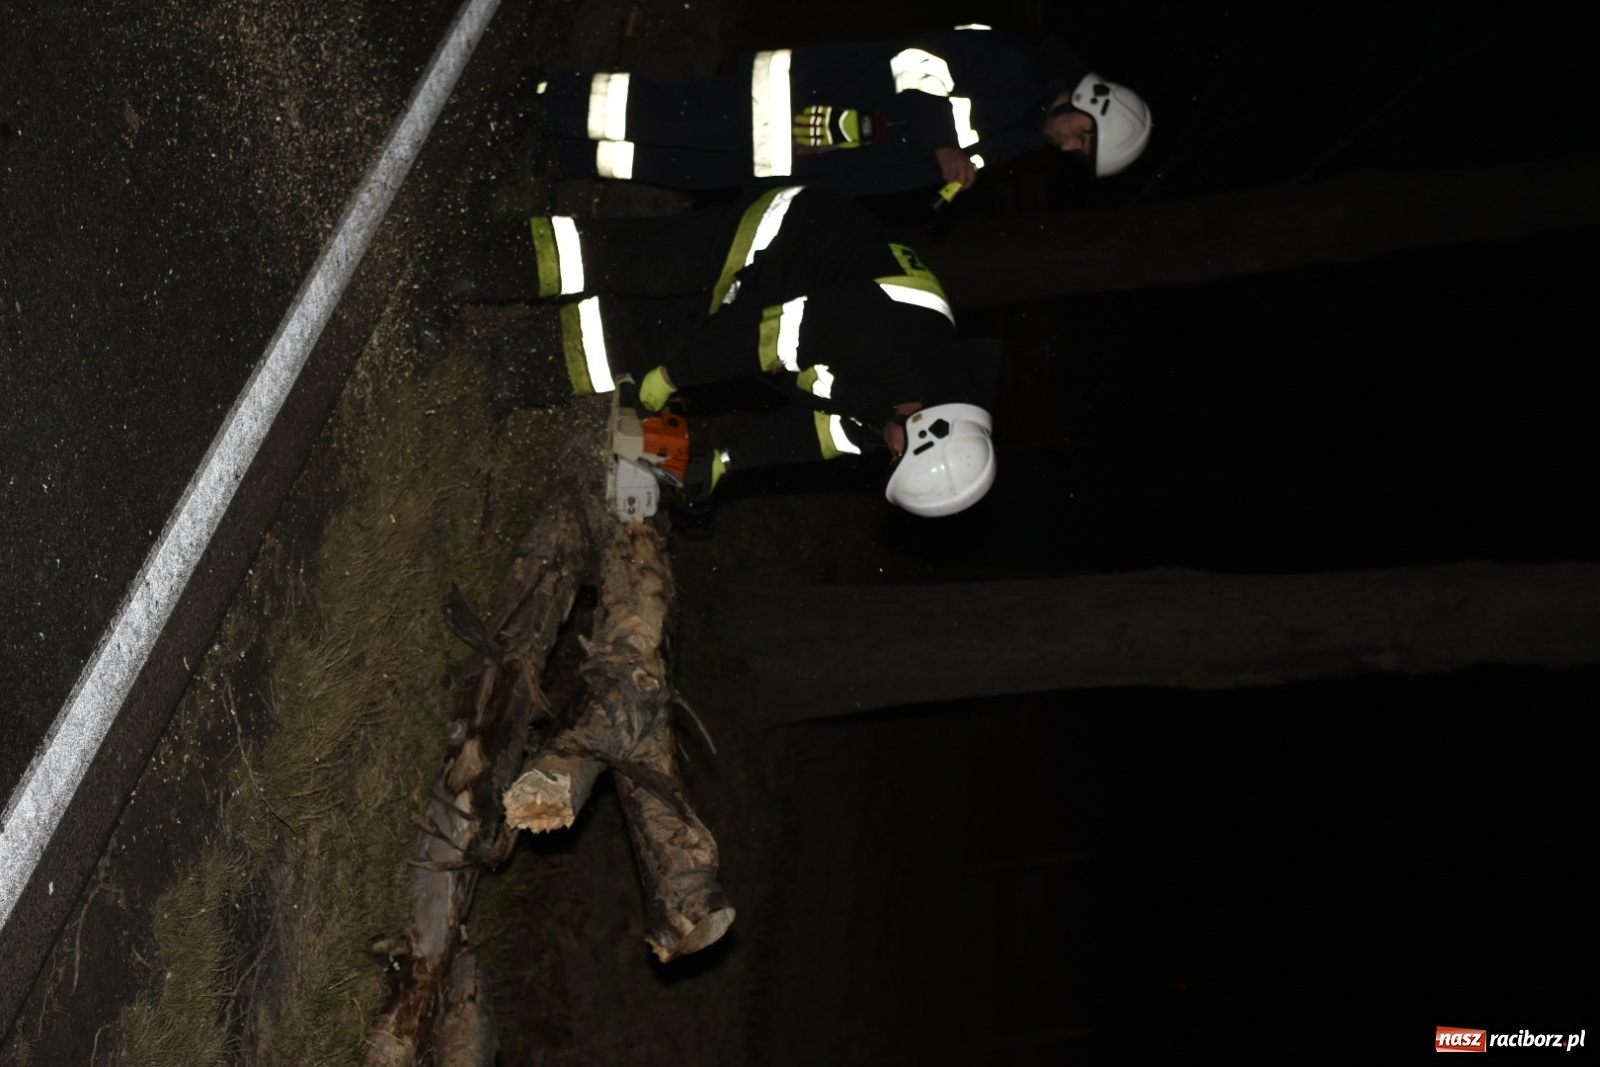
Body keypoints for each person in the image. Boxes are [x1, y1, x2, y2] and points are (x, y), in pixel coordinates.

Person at [427, 186, 1002, 516]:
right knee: (635, 263)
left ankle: (506, 365)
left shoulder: (899, 416)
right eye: (899, 456)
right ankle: (464, 262)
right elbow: (762, 340)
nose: (889, 454)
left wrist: (723, 466)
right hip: (784, 238)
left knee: (640, 341)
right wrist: (670, 378)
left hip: (780, 304)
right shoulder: (892, 338)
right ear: (928, 428)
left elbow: (816, 435)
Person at [515, 25, 1152, 196]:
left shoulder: (1020, 136)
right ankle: (545, 101)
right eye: (1084, 138)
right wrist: (943, 145)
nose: (1071, 147)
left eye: (1081, 153)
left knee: (685, 166)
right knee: (668, 113)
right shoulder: (1014, 68)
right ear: (1089, 104)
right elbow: (918, 64)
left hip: (817, 152)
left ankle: (563, 155)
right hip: (806, 100)